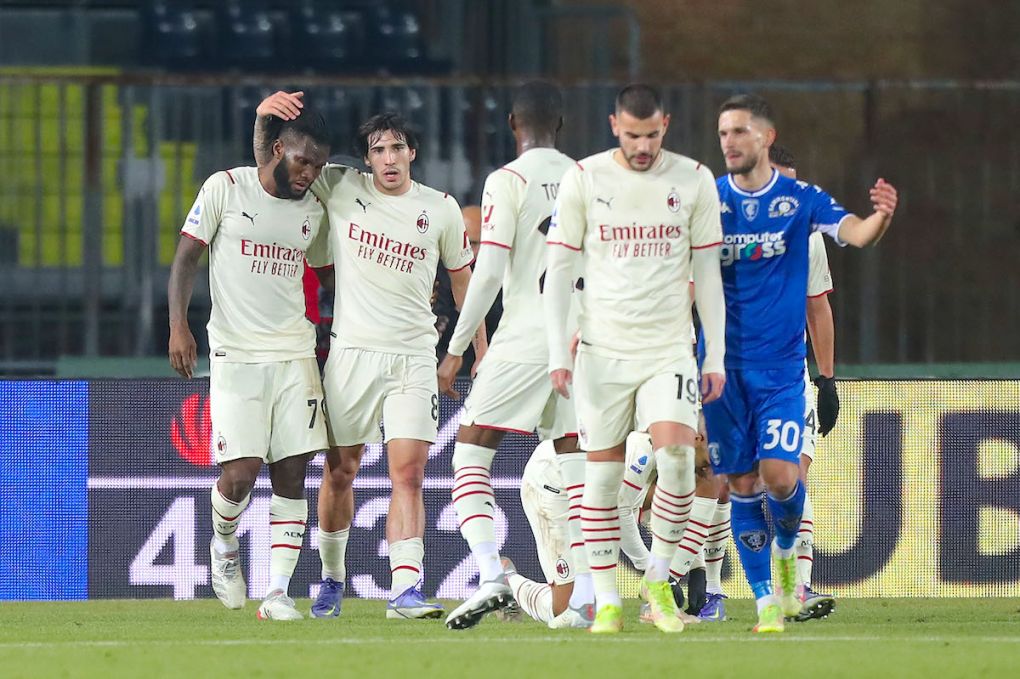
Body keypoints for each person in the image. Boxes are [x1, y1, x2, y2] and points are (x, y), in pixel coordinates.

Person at [253, 93, 482, 620]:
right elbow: (276, 165)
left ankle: (405, 589)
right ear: (367, 158)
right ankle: (332, 579)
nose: (388, 158)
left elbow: (463, 280)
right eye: (377, 149)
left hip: (413, 358)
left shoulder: (440, 208)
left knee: (410, 473)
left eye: (397, 147)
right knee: (340, 470)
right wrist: (265, 116)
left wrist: (474, 350)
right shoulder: (339, 185)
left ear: (413, 153)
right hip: (352, 355)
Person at [709, 94, 897, 633]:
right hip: (722, 372)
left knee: (781, 477)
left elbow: (854, 233)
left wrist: (879, 218)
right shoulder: (707, 200)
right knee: (741, 486)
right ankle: (767, 601)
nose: (729, 142)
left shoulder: (799, 201)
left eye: (739, 132)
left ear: (765, 138)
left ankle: (789, 554)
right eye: (723, 133)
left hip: (781, 373)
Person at [543, 83, 727, 634]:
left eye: (651, 135)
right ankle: (607, 599)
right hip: (601, 352)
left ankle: (658, 580)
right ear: (613, 125)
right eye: (631, 135)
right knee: (601, 483)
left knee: (676, 459)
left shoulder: (693, 180)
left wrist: (712, 352)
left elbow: (709, 275)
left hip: (667, 349)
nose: (642, 146)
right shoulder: (585, 177)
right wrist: (559, 347)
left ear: (665, 125)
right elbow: (557, 270)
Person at [436, 81, 592, 630]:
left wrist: (457, 347)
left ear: (512, 125)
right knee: (575, 463)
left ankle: (491, 574)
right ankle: (585, 596)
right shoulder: (589, 178)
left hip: (527, 335)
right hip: (582, 342)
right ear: (562, 125)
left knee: (470, 453)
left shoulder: (509, 180)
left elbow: (489, 270)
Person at [168, 110, 332, 621]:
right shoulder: (225, 188)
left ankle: (279, 592)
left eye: (318, 166)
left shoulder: (315, 212)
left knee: (292, 471)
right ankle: (223, 542)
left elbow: (331, 275)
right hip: (236, 355)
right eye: (304, 161)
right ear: (280, 150)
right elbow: (186, 259)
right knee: (240, 473)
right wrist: (178, 325)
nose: (310, 174)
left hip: (295, 355)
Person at [769, 144, 838, 621]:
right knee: (734, 485)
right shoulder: (728, 227)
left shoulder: (809, 237)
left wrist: (828, 378)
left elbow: (818, 307)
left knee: (794, 481)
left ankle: (797, 590)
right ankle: (697, 586)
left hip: (791, 376)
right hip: (736, 374)